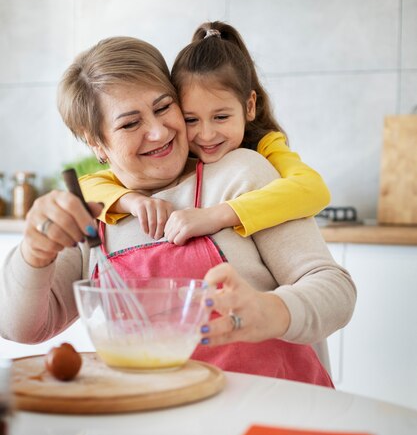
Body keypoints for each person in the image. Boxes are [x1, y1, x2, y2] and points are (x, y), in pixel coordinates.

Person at [0, 36, 356, 387]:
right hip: (152, 427)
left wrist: (274, 311)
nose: (158, 132)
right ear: (96, 142)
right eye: (130, 123)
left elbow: (335, 291)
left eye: (163, 107)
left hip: (268, 419)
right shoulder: (93, 213)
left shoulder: (241, 173)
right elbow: (22, 327)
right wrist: (34, 253)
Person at [79, 21, 330, 244]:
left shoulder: (264, 145)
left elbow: (313, 189)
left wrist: (217, 216)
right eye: (191, 119)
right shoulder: (179, 154)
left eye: (221, 117)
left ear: (249, 106)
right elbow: (85, 186)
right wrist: (131, 201)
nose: (206, 134)